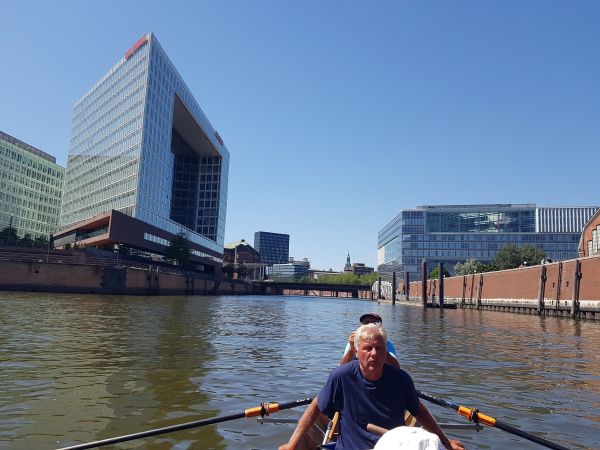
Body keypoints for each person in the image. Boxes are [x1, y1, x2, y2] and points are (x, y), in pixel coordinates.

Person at [279, 324, 465, 450]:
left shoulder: (401, 379)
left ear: (386, 352)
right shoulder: (341, 376)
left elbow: (420, 412)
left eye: (380, 348)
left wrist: (446, 443)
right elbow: (316, 407)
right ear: (357, 351)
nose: (374, 354)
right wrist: (292, 444)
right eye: (368, 348)